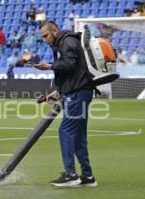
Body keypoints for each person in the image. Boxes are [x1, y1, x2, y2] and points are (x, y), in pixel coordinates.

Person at [33, 21, 97, 187]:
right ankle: (88, 176)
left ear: (55, 30)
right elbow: (71, 73)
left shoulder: (67, 41)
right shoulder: (64, 42)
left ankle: (71, 175)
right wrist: (58, 93)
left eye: (46, 35)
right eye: (43, 37)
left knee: (66, 131)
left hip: (79, 92)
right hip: (80, 91)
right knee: (78, 136)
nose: (45, 40)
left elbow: (69, 65)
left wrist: (49, 66)